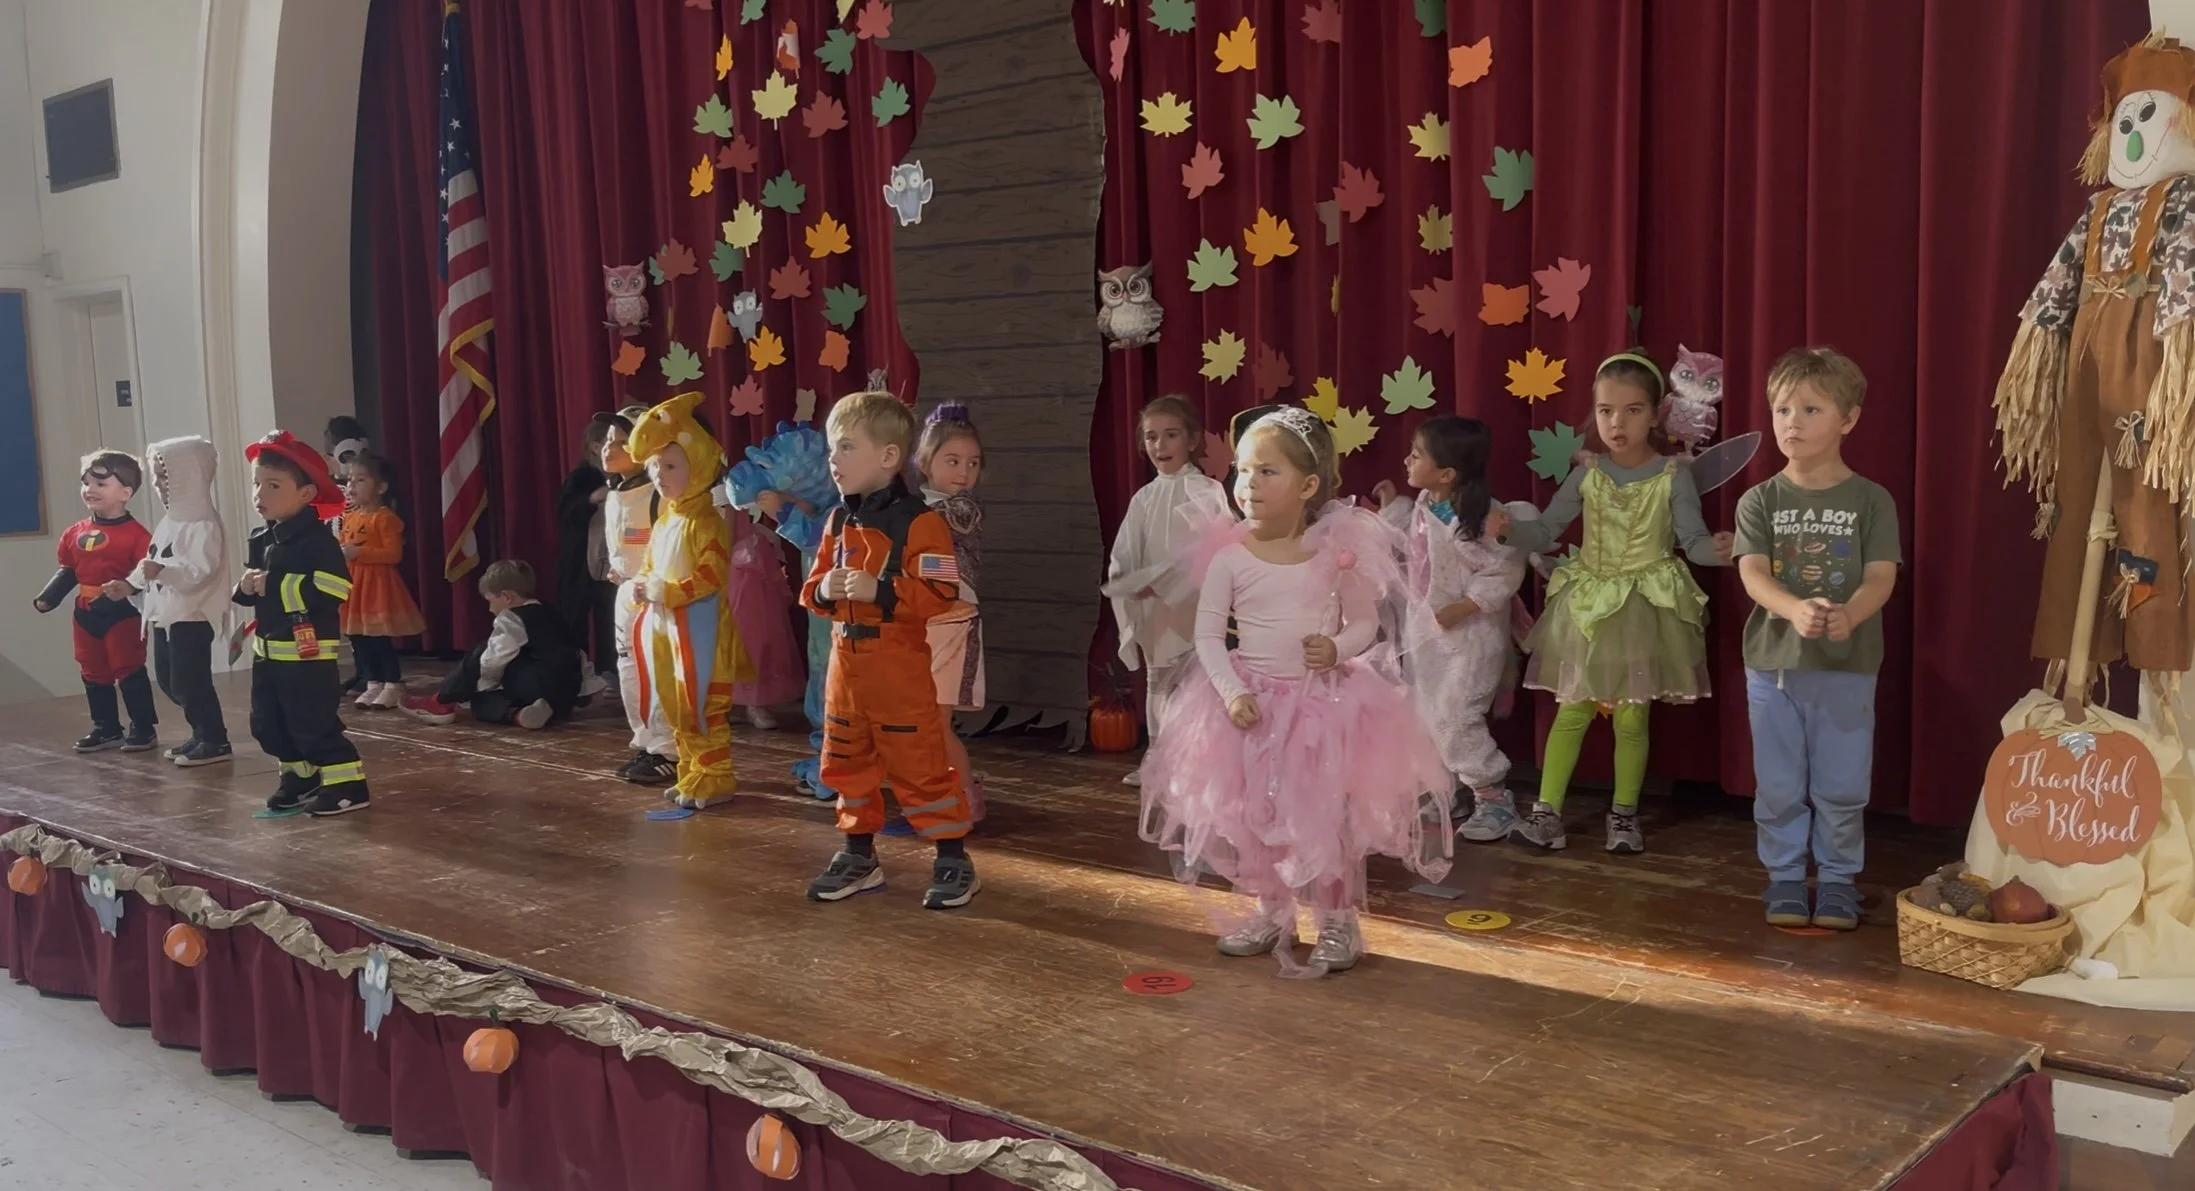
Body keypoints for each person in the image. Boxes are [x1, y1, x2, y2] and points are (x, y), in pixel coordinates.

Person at [1141, 408, 1453, 975]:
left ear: (1308, 486)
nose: (1248, 485)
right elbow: (1207, 636)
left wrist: (1336, 647)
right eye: (1242, 470)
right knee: (1256, 816)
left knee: (1324, 820)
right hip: (1248, 708)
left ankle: (1337, 922)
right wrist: (1231, 692)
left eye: (1267, 472)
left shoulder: (1334, 553)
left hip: (1320, 707)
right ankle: (1272, 913)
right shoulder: (1230, 557)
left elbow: (1364, 622)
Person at [1501, 351, 1735, 854]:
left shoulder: (1673, 475)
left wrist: (1721, 552)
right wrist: (1505, 530)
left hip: (1643, 607)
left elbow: (1693, 542)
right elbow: (1545, 530)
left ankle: (1624, 815)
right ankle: (1546, 814)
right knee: (1572, 710)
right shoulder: (1588, 472)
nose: (1616, 423)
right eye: (1606, 411)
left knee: (1631, 717)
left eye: (1632, 410)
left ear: (1655, 414)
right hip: (1588, 605)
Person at [1733, 348, 1900, 931]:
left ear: (1848, 419)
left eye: (1810, 409)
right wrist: (1793, 609)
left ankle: (1836, 881)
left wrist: (1849, 614)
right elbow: (1753, 572)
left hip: (1848, 666)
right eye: (1782, 409)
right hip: (1773, 665)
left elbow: (1881, 577)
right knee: (1778, 784)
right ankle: (1784, 877)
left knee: (1842, 783)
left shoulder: (1871, 500)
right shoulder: (1759, 500)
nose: (1792, 423)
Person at [800, 391, 979, 909]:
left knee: (919, 763)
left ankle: (953, 858)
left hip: (898, 671)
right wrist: (824, 590)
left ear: (888, 456)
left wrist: (880, 590)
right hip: (845, 673)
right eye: (832, 449)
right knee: (846, 762)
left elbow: (942, 593)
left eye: (845, 447)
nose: (833, 460)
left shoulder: (922, 522)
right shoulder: (837, 523)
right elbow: (811, 591)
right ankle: (858, 853)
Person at [1373, 416, 1528, 840]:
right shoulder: (1427, 502)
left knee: (1456, 718)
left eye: (1417, 455)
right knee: (1426, 712)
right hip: (1429, 635)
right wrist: (1392, 507)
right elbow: (1412, 540)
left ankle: (1494, 798)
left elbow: (1503, 567)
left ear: (1446, 473)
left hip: (1470, 638)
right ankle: (1448, 790)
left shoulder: (1483, 516)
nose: (1407, 460)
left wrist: (1466, 605)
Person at [627, 391, 754, 810]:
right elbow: (651, 565)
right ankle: (692, 773)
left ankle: (716, 777)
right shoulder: (667, 519)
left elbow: (711, 575)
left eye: (670, 466)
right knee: (678, 706)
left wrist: (667, 592)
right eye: (654, 467)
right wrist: (642, 585)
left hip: (703, 637)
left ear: (697, 464)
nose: (659, 475)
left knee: (705, 706)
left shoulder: (705, 520)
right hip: (668, 633)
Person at [235, 431, 367, 817]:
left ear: (307, 494)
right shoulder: (262, 537)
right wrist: (245, 587)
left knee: (311, 723)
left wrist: (275, 585)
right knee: (268, 723)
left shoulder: (317, 542)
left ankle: (348, 785)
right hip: (268, 651)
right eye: (257, 484)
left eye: (273, 485)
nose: (260, 494)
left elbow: (335, 588)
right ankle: (299, 776)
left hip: (307, 656)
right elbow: (257, 589)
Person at [1106, 396, 1229, 786]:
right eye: (1151, 437)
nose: (1160, 445)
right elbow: (1125, 552)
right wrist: (1130, 580)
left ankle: (1199, 761)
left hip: (1195, 604)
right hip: (1155, 605)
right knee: (1158, 682)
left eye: (1171, 435)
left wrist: (1184, 581)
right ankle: (1158, 761)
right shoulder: (1144, 498)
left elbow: (1221, 546)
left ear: (1191, 439)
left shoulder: (1208, 491)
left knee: (1198, 683)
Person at [726, 421, 843, 802]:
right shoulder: (828, 507)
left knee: (833, 687)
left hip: (839, 625)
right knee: (821, 681)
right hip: (821, 622)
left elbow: (821, 541)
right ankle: (825, 754)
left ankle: (835, 766)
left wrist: (782, 512)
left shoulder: (845, 513)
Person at [35, 450, 158, 752]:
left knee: (128, 667)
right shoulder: (74, 533)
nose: (90, 489)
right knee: (92, 668)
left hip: (122, 612)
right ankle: (106, 727)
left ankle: (143, 727)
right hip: (85, 612)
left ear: (126, 492)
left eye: (101, 484)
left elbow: (146, 575)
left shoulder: (138, 536)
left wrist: (127, 589)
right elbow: (69, 570)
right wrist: (49, 597)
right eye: (87, 483)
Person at [126, 437, 233, 766]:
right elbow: (152, 560)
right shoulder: (169, 523)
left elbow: (200, 571)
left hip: (191, 616)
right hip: (166, 615)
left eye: (165, 477)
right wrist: (130, 584)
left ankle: (214, 738)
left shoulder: (203, 525)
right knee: (168, 679)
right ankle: (199, 733)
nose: (159, 485)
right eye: (157, 477)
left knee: (190, 681)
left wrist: (163, 572)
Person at [914, 402, 987, 821]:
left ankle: (965, 798)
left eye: (973, 463)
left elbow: (936, 565)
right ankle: (937, 793)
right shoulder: (918, 506)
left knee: (936, 721)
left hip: (953, 623)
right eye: (953, 461)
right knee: (922, 719)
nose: (964, 472)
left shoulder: (960, 510)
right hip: (924, 622)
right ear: (925, 462)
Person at [405, 560, 583, 729]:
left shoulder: (512, 619)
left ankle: (442, 700)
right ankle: (532, 713)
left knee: (481, 664)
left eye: (490, 601)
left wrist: (479, 685)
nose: (490, 609)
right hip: (566, 695)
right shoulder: (552, 613)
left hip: (535, 686)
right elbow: (577, 654)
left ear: (506, 597)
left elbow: (493, 661)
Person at [598, 406, 678, 784]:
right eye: (607, 441)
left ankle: (669, 750)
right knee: (630, 669)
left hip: (656, 596)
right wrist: (618, 568)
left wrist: (656, 581)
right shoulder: (615, 492)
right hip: (627, 593)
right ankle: (646, 742)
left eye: (621, 441)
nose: (608, 448)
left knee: (658, 671)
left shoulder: (660, 492)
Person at [337, 452, 426, 710]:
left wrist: (358, 552)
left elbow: (393, 554)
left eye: (360, 479)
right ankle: (373, 682)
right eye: (350, 479)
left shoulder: (385, 518)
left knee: (378, 638)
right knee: (358, 637)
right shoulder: (350, 517)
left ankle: (393, 683)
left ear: (381, 487)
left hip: (376, 586)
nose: (352, 485)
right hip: (354, 585)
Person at [719, 500, 805, 727]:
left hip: (743, 567)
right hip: (715, 564)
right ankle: (721, 703)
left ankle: (754, 702)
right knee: (721, 638)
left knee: (753, 634)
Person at [557, 414, 617, 697]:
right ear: (596, 446)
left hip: (613, 560)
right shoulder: (582, 477)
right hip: (581, 561)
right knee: (574, 617)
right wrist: (592, 499)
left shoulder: (626, 476)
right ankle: (572, 676)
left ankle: (610, 673)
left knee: (611, 618)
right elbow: (565, 514)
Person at [323, 415, 371, 695]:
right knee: (350, 622)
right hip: (338, 561)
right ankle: (361, 671)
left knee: (365, 623)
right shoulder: (330, 491)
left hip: (362, 563)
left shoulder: (365, 494)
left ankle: (371, 673)